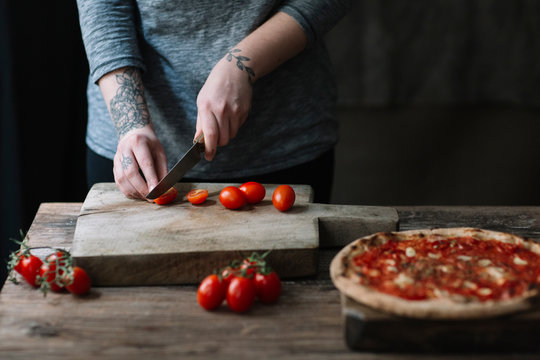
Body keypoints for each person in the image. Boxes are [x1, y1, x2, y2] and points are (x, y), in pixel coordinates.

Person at [77, 0, 351, 204]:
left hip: (283, 132)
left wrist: (242, 65)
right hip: (132, 146)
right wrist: (131, 125)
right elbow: (102, 7)